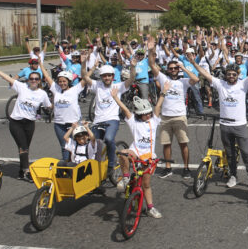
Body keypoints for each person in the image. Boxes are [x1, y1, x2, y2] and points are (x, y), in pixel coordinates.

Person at [189, 51, 248, 190]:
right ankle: (233, 176)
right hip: (224, 125)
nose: (231, 76)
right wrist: (193, 63)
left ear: (237, 75)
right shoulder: (220, 84)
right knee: (229, 154)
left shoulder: (243, 84)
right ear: (226, 74)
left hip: (240, 125)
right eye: (229, 74)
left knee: (246, 152)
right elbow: (205, 74)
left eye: (233, 74)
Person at [0, 62, 52, 181]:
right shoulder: (22, 87)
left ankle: (21, 170)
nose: (33, 80)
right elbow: (6, 77)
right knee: (23, 146)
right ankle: (26, 171)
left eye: (36, 79)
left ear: (39, 81)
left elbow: (49, 106)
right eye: (31, 79)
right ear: (28, 80)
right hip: (16, 122)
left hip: (29, 123)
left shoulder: (42, 94)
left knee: (25, 147)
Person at [149, 40, 198, 179]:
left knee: (183, 143)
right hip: (165, 117)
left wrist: (183, 68)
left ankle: (186, 168)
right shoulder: (164, 79)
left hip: (180, 116)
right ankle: (168, 168)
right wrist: (150, 50)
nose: (173, 70)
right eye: (171, 68)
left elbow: (196, 79)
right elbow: (152, 64)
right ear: (168, 70)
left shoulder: (183, 82)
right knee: (166, 144)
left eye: (175, 68)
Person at [114, 89, 167, 219]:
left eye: (149, 113)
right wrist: (116, 98)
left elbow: (158, 106)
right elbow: (125, 110)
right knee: (122, 154)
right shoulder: (134, 122)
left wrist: (163, 93)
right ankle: (126, 177)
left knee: (146, 184)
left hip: (149, 157)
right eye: (144, 114)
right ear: (138, 114)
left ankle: (150, 208)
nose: (148, 115)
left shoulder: (153, 121)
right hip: (136, 152)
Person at [82, 61, 134, 177]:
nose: (106, 78)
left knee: (109, 139)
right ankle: (94, 169)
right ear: (101, 77)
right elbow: (84, 76)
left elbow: (131, 79)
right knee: (92, 144)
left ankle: (111, 165)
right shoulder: (97, 85)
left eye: (109, 75)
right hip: (98, 120)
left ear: (113, 76)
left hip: (112, 119)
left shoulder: (118, 86)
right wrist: (84, 62)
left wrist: (133, 67)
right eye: (104, 76)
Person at [38, 61, 83, 161]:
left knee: (77, 145)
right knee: (65, 146)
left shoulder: (75, 89)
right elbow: (47, 77)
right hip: (59, 124)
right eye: (60, 81)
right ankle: (67, 169)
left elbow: (86, 78)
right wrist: (40, 64)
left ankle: (77, 164)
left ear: (69, 81)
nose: (62, 83)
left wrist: (87, 65)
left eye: (64, 81)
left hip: (74, 123)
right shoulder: (56, 89)